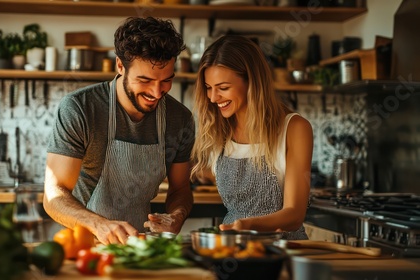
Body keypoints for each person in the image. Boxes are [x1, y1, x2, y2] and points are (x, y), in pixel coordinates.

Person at [44, 17, 195, 245]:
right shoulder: (80, 108)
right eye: (144, 80)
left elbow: (180, 189)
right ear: (120, 66)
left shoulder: (180, 119)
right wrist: (99, 225)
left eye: (166, 80)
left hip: (142, 246)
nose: (156, 92)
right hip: (85, 245)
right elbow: (54, 195)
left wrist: (177, 215)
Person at [191, 35, 313, 240]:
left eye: (223, 88)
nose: (213, 98)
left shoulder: (294, 128)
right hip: (232, 249)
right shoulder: (219, 129)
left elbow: (294, 215)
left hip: (282, 253)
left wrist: (248, 226)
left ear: (252, 82)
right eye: (208, 88)